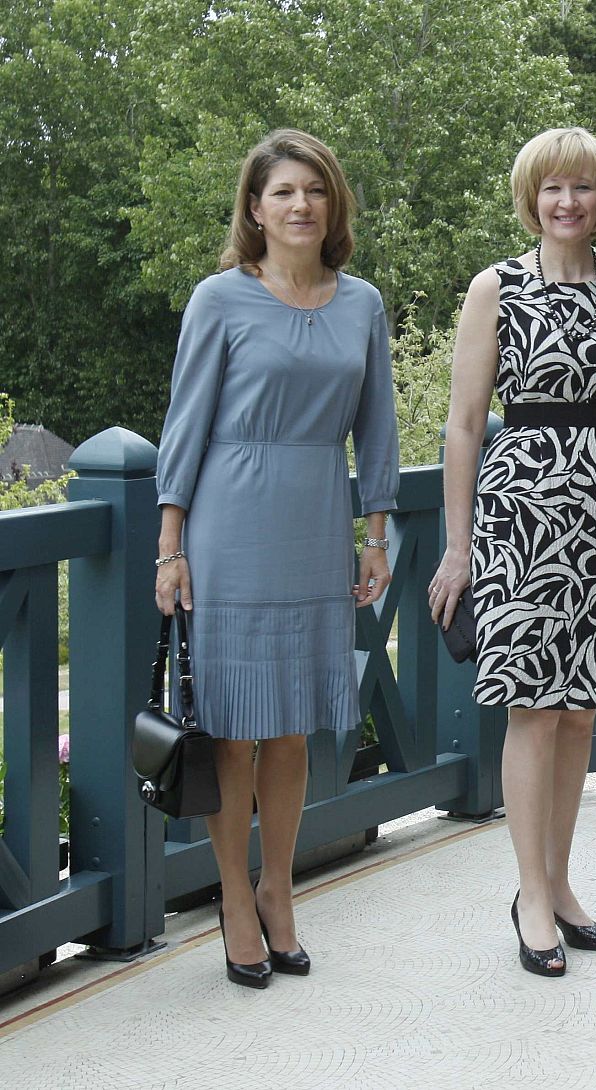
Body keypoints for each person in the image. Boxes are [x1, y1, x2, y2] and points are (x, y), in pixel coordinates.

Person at [154, 129, 399, 989]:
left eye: (315, 191)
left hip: (314, 519)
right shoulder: (219, 298)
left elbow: (377, 427)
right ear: (254, 209)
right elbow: (184, 423)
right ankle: (231, 896)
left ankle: (278, 888)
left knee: (291, 725)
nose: (301, 205)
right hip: (229, 524)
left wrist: (375, 533)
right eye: (283, 192)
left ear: (332, 206)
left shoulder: (360, 302)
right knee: (231, 727)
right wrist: (170, 545)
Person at [427, 127, 596, 978]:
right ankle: (531, 893)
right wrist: (459, 548)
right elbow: (463, 424)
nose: (568, 203)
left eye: (584, 188)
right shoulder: (496, 287)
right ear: (530, 197)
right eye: (552, 188)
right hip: (521, 513)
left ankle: (562, 885)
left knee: (581, 711)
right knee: (533, 707)